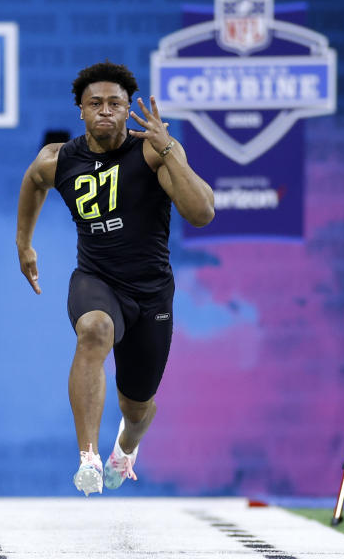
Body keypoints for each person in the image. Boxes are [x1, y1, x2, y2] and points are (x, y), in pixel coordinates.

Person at [15, 60, 215, 496]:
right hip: (96, 279)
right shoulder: (58, 160)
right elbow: (33, 182)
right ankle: (87, 457)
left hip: (150, 296)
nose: (105, 110)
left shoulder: (152, 151)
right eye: (95, 103)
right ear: (81, 112)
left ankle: (125, 449)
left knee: (137, 406)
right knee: (94, 330)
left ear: (128, 111)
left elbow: (202, 213)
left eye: (115, 103)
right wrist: (23, 242)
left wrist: (168, 150)